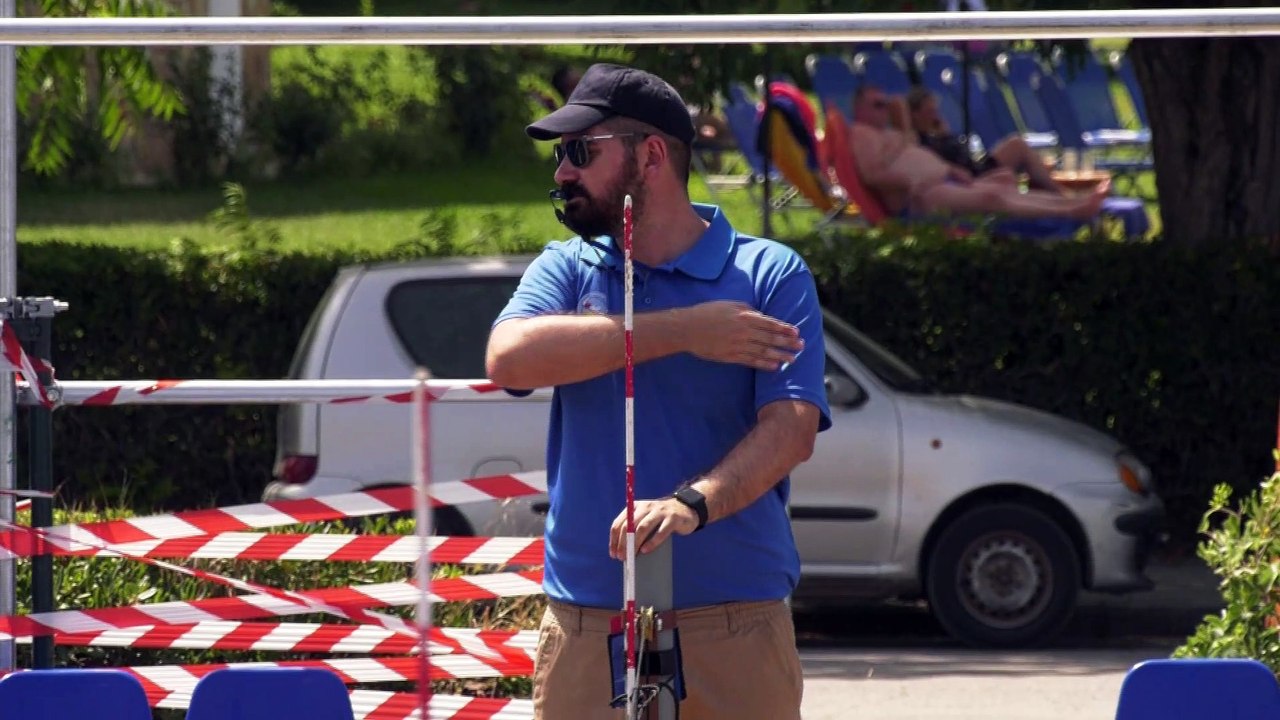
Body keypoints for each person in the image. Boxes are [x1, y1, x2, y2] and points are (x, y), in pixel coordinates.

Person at [486, 62, 831, 720]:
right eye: (561, 154)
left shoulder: (768, 273)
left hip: (734, 624)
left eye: (580, 151)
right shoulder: (565, 267)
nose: (561, 172)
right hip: (588, 624)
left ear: (649, 156)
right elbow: (508, 361)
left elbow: (791, 428)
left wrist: (690, 504)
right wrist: (681, 330)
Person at [848, 84, 1108, 221]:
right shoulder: (861, 133)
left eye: (886, 105)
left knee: (1004, 185)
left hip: (942, 181)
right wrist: (913, 180)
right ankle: (1071, 211)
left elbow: (912, 152)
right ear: (859, 108)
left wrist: (949, 170)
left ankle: (1074, 203)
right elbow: (873, 175)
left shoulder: (892, 134)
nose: (885, 110)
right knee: (992, 197)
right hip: (920, 196)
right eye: (877, 105)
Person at [905, 85, 1065, 194]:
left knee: (1016, 143)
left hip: (975, 168)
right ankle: (1058, 195)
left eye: (935, 110)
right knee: (1017, 147)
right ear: (915, 114)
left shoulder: (935, 134)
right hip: (969, 178)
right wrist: (945, 137)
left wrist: (945, 135)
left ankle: (1054, 192)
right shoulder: (916, 140)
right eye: (930, 111)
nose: (935, 116)